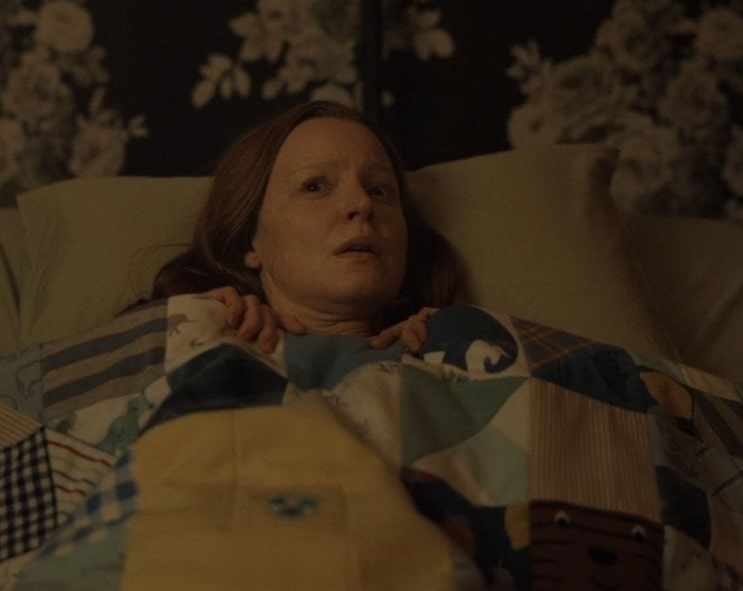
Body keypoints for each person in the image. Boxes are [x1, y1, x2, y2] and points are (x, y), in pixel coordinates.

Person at [150, 100, 459, 353]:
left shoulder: (453, 346)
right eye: (314, 187)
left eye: (379, 190)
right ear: (249, 237)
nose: (362, 204)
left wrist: (460, 338)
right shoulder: (178, 334)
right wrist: (191, 324)